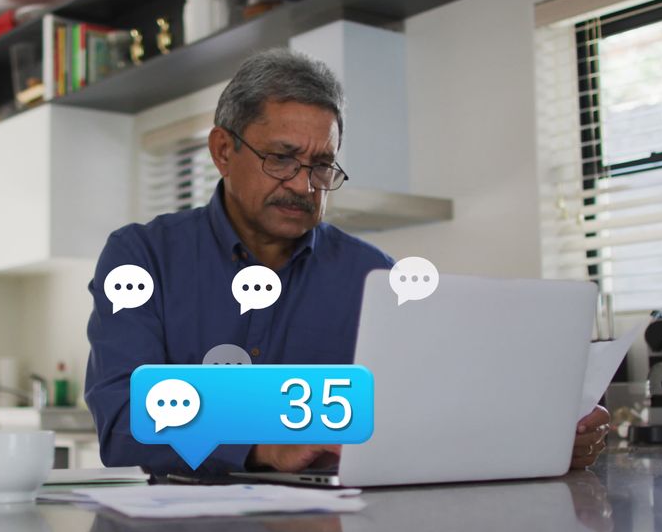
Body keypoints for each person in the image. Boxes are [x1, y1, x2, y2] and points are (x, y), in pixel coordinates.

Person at [84, 48, 609, 475]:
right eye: (281, 157)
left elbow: (430, 410)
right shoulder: (142, 258)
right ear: (223, 150)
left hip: (333, 530)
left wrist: (545, 438)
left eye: (321, 165)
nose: (302, 184)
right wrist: (264, 443)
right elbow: (123, 416)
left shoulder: (376, 278)